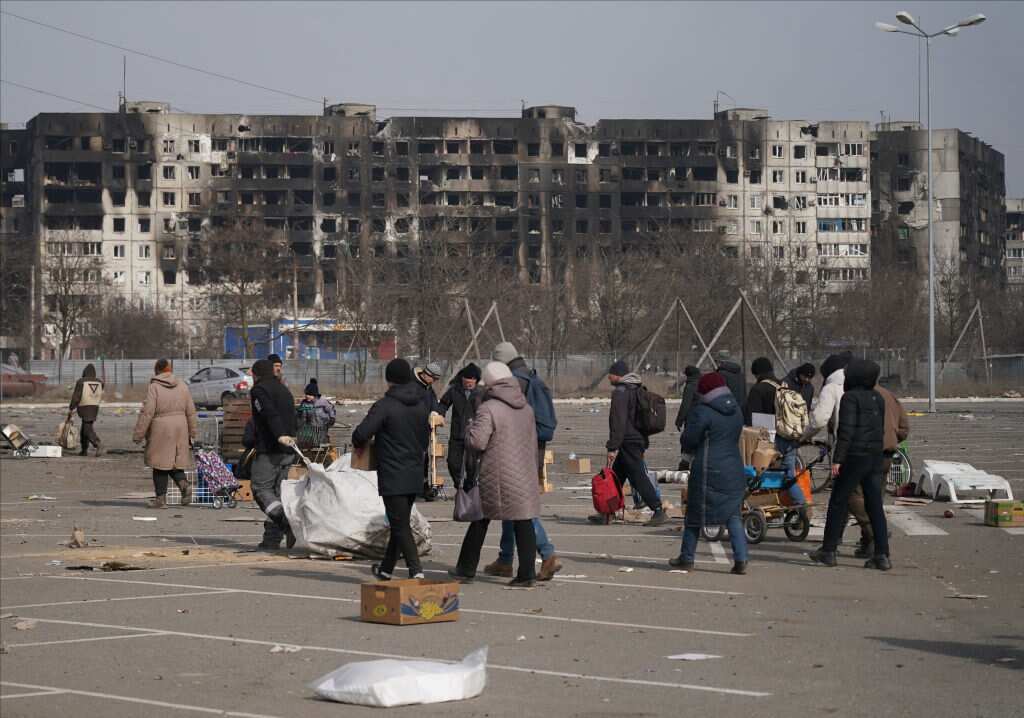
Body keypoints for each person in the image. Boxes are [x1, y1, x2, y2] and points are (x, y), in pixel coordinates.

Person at [449, 361, 541, 588]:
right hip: (524, 470)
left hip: (497, 473)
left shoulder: (488, 408)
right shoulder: (526, 408)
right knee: (523, 520)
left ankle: (466, 568)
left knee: (480, 517)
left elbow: (477, 442)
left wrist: (470, 427)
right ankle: (527, 573)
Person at [484, 342, 561, 581]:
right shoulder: (532, 377)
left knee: (520, 510)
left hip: (518, 452)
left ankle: (547, 555)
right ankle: (505, 559)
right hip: (534, 450)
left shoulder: (516, 382)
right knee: (513, 507)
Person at [810, 359, 891, 570]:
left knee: (838, 501)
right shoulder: (878, 397)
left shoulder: (850, 398)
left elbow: (846, 432)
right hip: (874, 456)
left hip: (854, 456)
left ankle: (828, 551)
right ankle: (882, 555)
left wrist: (838, 459)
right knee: (875, 505)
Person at [353, 358, 430, 580]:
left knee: (399, 524)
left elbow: (360, 434)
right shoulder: (421, 405)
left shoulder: (384, 406)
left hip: (393, 473)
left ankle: (416, 571)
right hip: (415, 471)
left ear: (389, 380)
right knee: (400, 522)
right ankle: (386, 569)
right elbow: (425, 439)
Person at [670, 372, 749, 574]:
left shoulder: (702, 411)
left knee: (695, 515)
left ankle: (687, 557)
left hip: (708, 468)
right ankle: (741, 560)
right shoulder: (737, 409)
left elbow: (689, 440)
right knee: (733, 515)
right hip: (733, 466)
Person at [591, 360, 668, 526]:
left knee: (638, 477)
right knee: (616, 478)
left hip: (628, 441)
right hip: (637, 439)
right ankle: (607, 512)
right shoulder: (636, 388)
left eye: (609, 374)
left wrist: (612, 447)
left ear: (616, 374)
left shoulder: (620, 392)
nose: (608, 377)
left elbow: (618, 422)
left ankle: (658, 509)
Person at [850, 382, 909, 559]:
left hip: (863, 453)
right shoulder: (889, 395)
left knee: (852, 495)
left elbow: (844, 426)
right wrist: (891, 437)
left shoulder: (856, 395)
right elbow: (904, 428)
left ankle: (873, 534)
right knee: (875, 499)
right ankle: (869, 543)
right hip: (886, 455)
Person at [132, 359, 198, 509]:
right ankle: (184, 485)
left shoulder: (154, 387)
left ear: (157, 371)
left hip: (161, 428)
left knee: (159, 464)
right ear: (169, 370)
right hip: (181, 427)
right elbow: (191, 411)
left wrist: (139, 434)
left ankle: (160, 500)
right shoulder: (182, 385)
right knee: (174, 462)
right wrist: (193, 431)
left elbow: (147, 413)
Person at [249, 358, 298, 551]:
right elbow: (293, 415)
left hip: (271, 448)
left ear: (255, 374)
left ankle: (287, 524)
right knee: (277, 495)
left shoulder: (259, 391)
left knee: (261, 489)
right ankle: (271, 539)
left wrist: (279, 435)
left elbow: (269, 413)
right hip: (289, 449)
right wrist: (291, 437)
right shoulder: (284, 389)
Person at [775, 362, 816, 514]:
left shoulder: (809, 388)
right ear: (799, 374)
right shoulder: (786, 383)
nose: (807, 380)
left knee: (788, 471)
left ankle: (798, 504)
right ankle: (796, 503)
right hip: (784, 431)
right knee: (785, 470)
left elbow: (807, 408)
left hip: (795, 433)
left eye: (810, 378)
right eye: (805, 377)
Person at [438, 363, 483, 490]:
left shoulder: (481, 393)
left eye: (471, 382)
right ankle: (459, 484)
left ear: (476, 381)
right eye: (466, 382)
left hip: (474, 435)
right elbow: (443, 404)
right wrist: (439, 414)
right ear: (462, 379)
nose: (468, 384)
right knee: (452, 463)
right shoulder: (454, 390)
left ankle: (470, 486)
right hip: (457, 433)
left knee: (472, 465)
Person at [414, 362, 444, 500]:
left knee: (424, 459)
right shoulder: (413, 387)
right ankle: (414, 487)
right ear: (427, 375)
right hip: (413, 430)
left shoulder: (428, 388)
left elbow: (434, 404)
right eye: (435, 379)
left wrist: (434, 412)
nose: (435, 382)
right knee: (415, 459)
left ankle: (423, 486)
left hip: (424, 430)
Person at [69, 363, 104, 456]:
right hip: (95, 407)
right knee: (85, 427)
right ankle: (84, 450)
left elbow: (76, 396)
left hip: (85, 406)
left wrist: (71, 407)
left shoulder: (81, 381)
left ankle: (97, 443)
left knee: (87, 429)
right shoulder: (100, 382)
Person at [674, 365, 702, 471]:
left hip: (692, 419)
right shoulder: (703, 384)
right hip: (704, 418)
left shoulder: (690, 386)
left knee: (687, 442)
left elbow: (685, 405)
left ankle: (684, 465)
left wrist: (679, 421)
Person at [296, 378, 335, 449]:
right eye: (306, 394)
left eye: (309, 394)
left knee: (322, 442)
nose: (307, 396)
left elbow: (331, 409)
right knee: (312, 443)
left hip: (322, 426)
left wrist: (332, 418)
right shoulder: (305, 404)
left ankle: (323, 452)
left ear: (315, 395)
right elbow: (302, 416)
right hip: (311, 428)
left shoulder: (323, 402)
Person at [744, 357, 778, 426]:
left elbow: (753, 418)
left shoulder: (757, 390)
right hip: (786, 432)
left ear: (757, 374)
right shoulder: (783, 385)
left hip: (768, 432)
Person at [715, 352, 748, 420]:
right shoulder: (741, 374)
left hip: (727, 412)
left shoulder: (721, 374)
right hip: (741, 411)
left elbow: (720, 396)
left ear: (720, 362)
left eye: (716, 361)